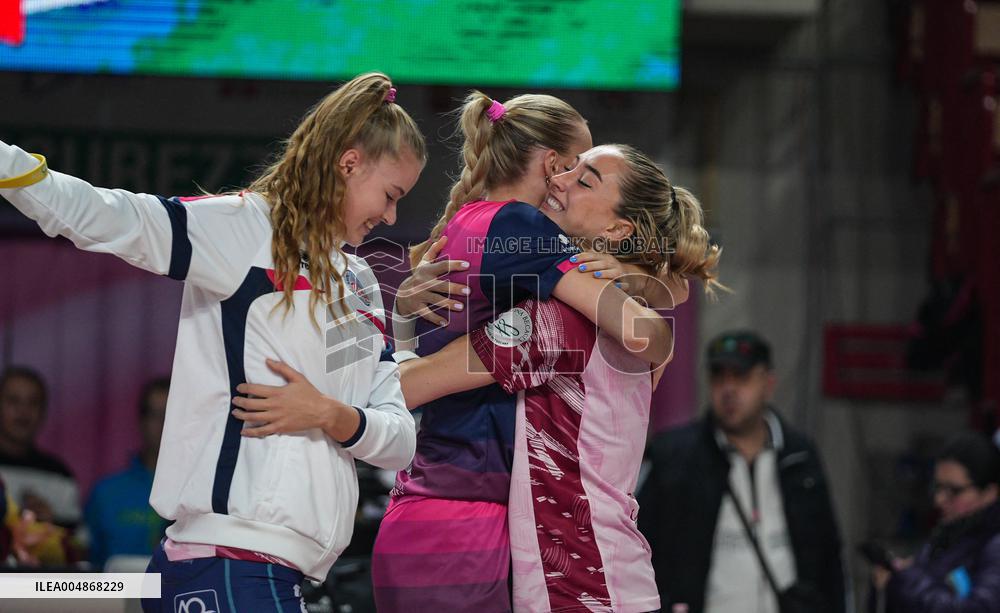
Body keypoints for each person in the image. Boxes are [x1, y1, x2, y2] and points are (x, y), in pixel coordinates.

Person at [0, 71, 424, 611]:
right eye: (390, 195)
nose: (391, 216)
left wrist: (329, 414)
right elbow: (105, 217)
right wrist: (8, 166)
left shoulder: (360, 282)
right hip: (227, 562)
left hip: (282, 572)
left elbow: (400, 440)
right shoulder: (244, 230)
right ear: (349, 164)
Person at [637, 331, 847, 613]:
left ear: (768, 383)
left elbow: (829, 554)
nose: (729, 389)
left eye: (741, 377)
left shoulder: (799, 454)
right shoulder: (675, 455)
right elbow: (639, 544)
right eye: (719, 377)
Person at [872, 432, 1000, 611]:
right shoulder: (950, 534)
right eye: (938, 487)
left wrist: (907, 580)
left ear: (989, 493)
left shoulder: (993, 544)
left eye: (954, 491)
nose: (939, 499)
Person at [84, 377, 170, 570]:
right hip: (115, 589)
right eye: (155, 415)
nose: (164, 423)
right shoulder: (105, 493)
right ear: (141, 421)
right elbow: (88, 565)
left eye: (171, 414)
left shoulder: (202, 495)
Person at [0, 366, 81, 528]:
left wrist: (50, 525)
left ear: (44, 411)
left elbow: (77, 539)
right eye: (13, 401)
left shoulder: (59, 475)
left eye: (33, 403)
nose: (23, 411)